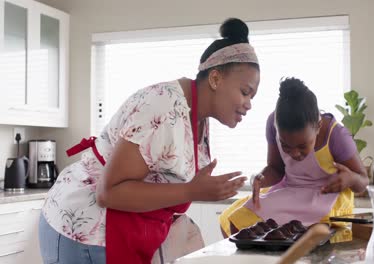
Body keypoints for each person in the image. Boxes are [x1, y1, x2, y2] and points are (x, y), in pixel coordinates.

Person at [39, 18, 260, 264]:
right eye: (245, 92)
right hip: (86, 229)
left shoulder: (198, 116)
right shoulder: (164, 107)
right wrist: (192, 190)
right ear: (216, 79)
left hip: (121, 229)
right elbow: (109, 193)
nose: (249, 104)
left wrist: (195, 188)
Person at [219, 77, 369, 237]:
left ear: (318, 127)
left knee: (314, 235)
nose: (295, 154)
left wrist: (350, 179)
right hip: (290, 190)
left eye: (303, 146)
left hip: (327, 197)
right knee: (235, 222)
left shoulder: (336, 135)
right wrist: (260, 178)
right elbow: (276, 169)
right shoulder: (273, 122)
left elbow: (363, 181)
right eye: (286, 146)